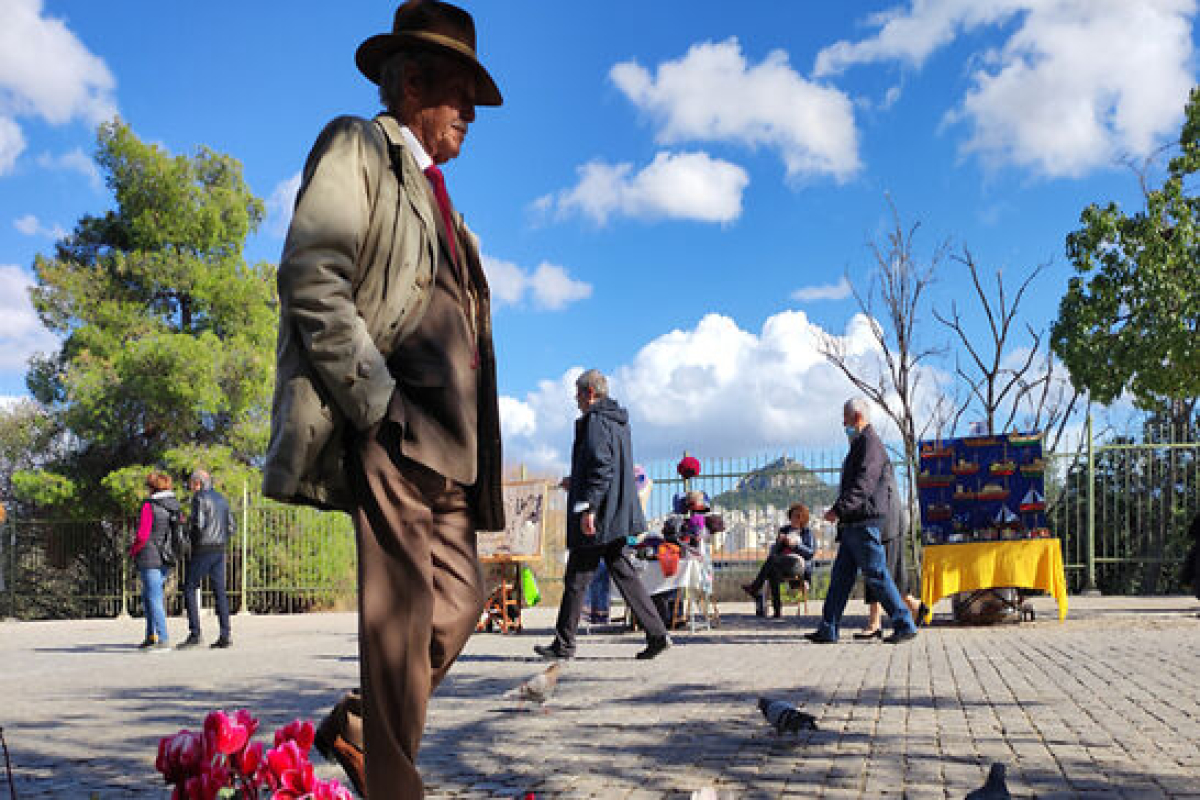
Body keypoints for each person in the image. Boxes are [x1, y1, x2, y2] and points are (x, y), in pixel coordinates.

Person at [261, 2, 506, 796]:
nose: (470, 111)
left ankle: (364, 730)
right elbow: (312, 274)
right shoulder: (358, 147)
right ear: (409, 84)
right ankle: (396, 786)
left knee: (460, 602)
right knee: (396, 620)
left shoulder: (450, 208)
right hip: (393, 426)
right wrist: (375, 405)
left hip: (454, 448)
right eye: (459, 91)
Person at [534, 369, 671, 661]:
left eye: (578, 393)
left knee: (576, 577)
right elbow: (607, 465)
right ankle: (658, 634)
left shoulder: (596, 420)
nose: (576, 399)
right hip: (616, 513)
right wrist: (577, 480)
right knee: (623, 573)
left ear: (590, 393)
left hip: (601, 517)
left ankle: (564, 644)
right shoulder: (617, 421)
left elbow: (602, 466)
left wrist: (588, 508)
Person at [805, 398, 918, 645]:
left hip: (864, 521)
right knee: (840, 578)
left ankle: (903, 623)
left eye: (845, 420)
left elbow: (864, 484)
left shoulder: (870, 444)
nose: (843, 424)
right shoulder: (862, 443)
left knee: (876, 573)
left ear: (856, 417)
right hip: (854, 522)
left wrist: (839, 509)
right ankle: (828, 627)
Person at [855, 469, 928, 639]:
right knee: (890, 573)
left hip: (884, 522)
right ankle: (915, 605)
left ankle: (874, 623)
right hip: (892, 521)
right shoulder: (878, 458)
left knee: (875, 570)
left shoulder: (870, 455)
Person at [177, 470, 234, 649]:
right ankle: (225, 634)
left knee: (189, 587)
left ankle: (195, 633)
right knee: (220, 592)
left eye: (191, 484)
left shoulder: (199, 498)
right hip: (220, 548)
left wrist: (190, 539)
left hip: (203, 548)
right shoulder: (221, 499)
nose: (190, 487)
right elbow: (232, 526)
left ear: (198, 483)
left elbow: (198, 525)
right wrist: (222, 539)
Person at [128, 472, 181, 651]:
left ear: (151, 487)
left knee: (154, 597)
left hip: (150, 555)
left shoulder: (149, 506)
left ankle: (163, 638)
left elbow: (143, 534)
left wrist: (133, 550)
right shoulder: (175, 506)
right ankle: (150, 635)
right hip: (168, 555)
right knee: (149, 596)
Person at [742, 502, 816, 619]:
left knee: (773, 562)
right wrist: (779, 542)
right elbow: (775, 551)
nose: (795, 519)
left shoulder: (807, 532)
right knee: (773, 572)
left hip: (797, 564)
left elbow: (810, 553)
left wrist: (795, 545)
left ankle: (755, 588)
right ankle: (777, 610)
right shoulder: (784, 530)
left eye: (798, 516)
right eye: (793, 515)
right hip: (781, 563)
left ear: (803, 519)